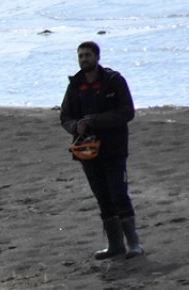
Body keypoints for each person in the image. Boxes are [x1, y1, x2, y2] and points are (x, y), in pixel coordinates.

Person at [60, 41, 144, 260]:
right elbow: (65, 116)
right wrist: (75, 125)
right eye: (80, 56)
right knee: (103, 197)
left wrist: (95, 121)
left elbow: (127, 112)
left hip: (114, 148)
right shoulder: (75, 85)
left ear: (97, 57)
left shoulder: (114, 81)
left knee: (118, 194)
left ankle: (134, 244)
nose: (83, 59)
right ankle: (115, 245)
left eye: (87, 55)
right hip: (87, 151)